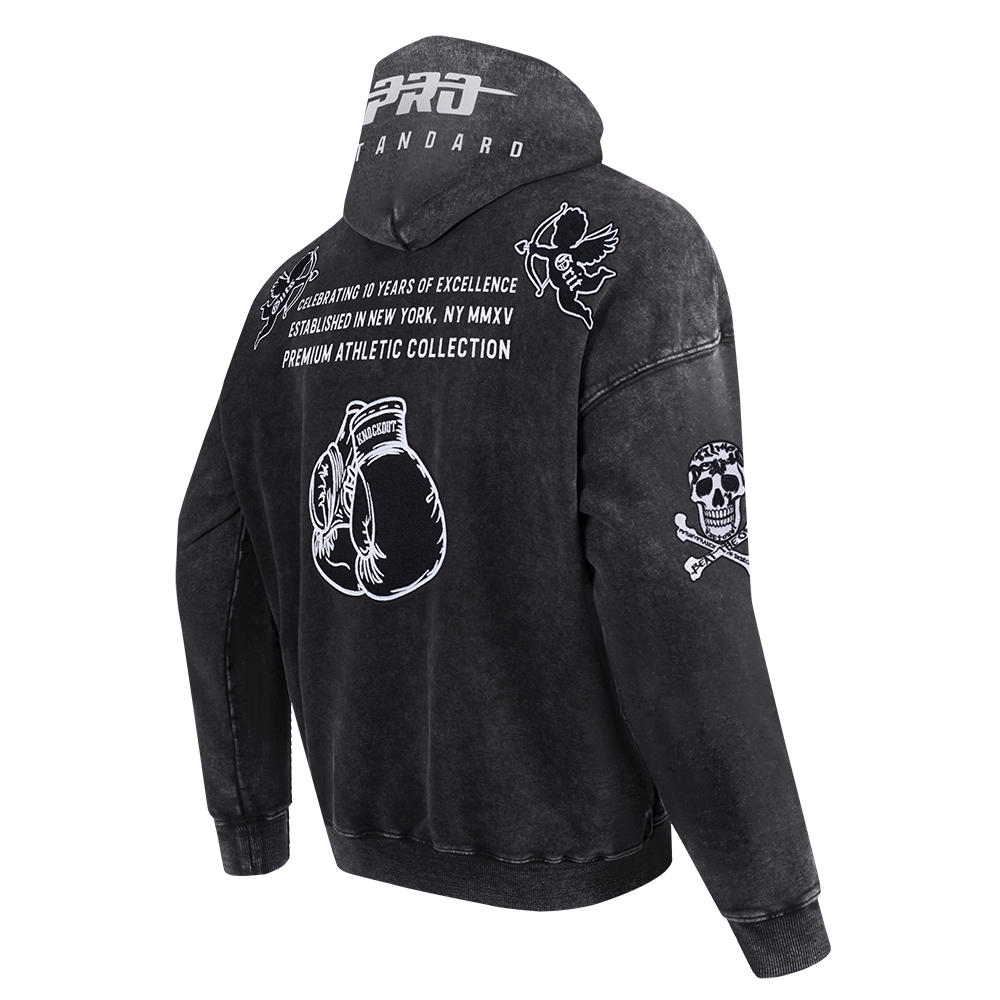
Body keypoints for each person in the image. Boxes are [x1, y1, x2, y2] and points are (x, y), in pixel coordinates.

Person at [176, 36, 830, 978]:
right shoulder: (640, 246)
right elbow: (678, 593)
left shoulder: (297, 289)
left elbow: (214, 564)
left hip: (354, 889)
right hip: (588, 901)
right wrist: (778, 914)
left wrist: (252, 826)